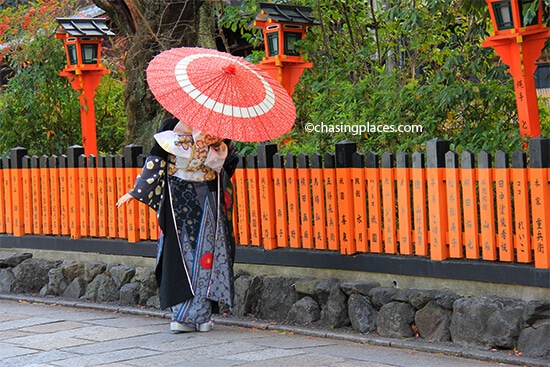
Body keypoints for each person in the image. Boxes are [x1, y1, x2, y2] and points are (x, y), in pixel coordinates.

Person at [116, 116, 238, 332]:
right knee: (199, 254)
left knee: (199, 254)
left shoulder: (172, 126)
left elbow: (155, 162)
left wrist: (139, 190)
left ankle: (186, 317)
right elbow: (229, 165)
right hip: (200, 196)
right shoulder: (218, 127)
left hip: (185, 196)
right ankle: (200, 318)